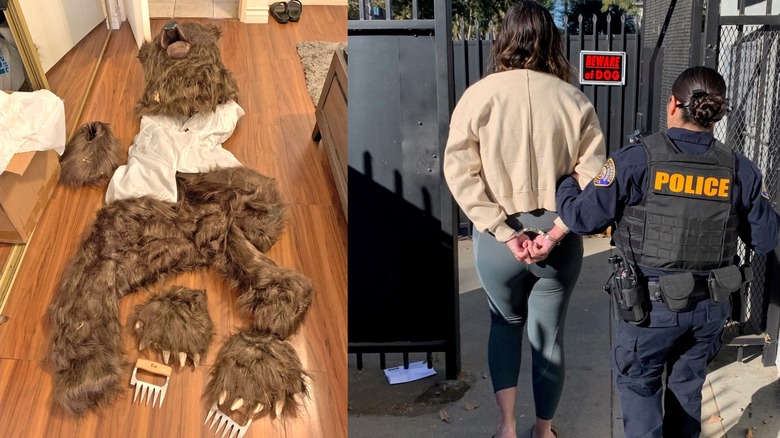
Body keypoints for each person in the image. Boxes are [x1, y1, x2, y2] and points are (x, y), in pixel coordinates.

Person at [555, 66, 780, 437]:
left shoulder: (634, 160)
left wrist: (564, 183)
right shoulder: (740, 169)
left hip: (649, 309)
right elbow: (767, 239)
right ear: (717, 112)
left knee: (639, 386)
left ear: (673, 104)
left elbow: (581, 219)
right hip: (710, 309)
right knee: (687, 389)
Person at [442, 2, 607, 437]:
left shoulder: (478, 96)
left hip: (499, 240)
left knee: (504, 324)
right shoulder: (575, 100)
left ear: (505, 40)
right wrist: (554, 232)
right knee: (548, 336)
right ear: (553, 42)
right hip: (559, 235)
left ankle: (505, 428)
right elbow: (595, 176)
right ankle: (544, 430)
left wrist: (501, 230)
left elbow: (459, 171)